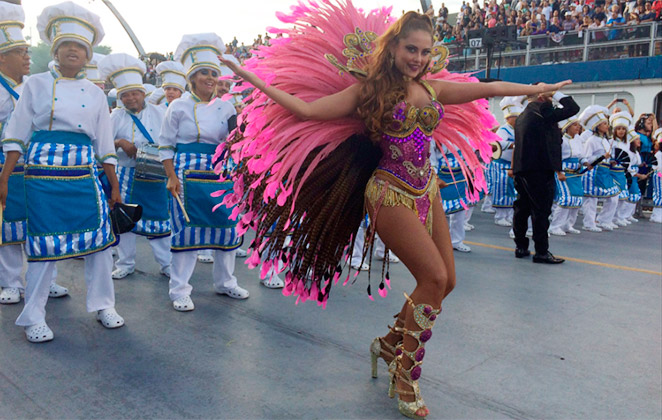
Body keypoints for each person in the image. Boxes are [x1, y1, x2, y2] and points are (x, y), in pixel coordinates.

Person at [219, 8, 570, 418]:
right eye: (410, 49)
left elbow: (488, 88)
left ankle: (388, 344)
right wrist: (251, 78)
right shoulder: (369, 92)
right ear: (393, 47)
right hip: (388, 193)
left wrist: (536, 87)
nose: (418, 58)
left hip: (427, 189)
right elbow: (308, 112)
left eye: (424, 51)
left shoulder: (433, 89)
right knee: (433, 278)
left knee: (447, 282)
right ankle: (405, 374)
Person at [0, 1, 125, 343]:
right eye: (67, 45)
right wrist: (4, 178)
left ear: (88, 55)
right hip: (41, 174)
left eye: (80, 47)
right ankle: (34, 316)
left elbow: (105, 146)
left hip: (84, 175)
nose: (73, 51)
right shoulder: (35, 85)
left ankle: (103, 304)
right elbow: (16, 133)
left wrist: (114, 187)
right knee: (42, 244)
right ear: (55, 50)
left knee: (100, 242)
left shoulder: (97, 95)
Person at [159, 33, 248, 312]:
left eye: (214, 73)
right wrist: (171, 176)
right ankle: (179, 289)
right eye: (204, 73)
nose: (211, 78)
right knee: (186, 231)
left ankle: (225, 281)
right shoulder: (178, 106)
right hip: (186, 174)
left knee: (226, 227)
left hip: (220, 174)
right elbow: (165, 146)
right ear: (193, 77)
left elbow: (236, 141)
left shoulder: (226, 106)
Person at [0, 2, 69, 305]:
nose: (28, 58)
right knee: (9, 225)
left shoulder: (35, 86)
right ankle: (12, 282)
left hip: (36, 166)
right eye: (21, 53)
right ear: (3, 57)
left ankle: (44, 280)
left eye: (28, 52)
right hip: (5, 166)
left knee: (41, 223)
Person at [98, 53, 172, 280]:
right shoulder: (116, 117)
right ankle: (125, 262)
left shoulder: (160, 112)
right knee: (125, 218)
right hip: (126, 175)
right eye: (125, 95)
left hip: (154, 174)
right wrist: (120, 142)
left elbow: (171, 140)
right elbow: (102, 144)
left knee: (159, 219)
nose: (130, 99)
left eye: (134, 94)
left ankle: (167, 263)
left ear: (143, 94)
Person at [511, 87, 579, 263]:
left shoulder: (523, 115)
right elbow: (573, 108)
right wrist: (555, 93)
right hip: (540, 169)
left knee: (522, 208)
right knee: (541, 211)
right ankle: (541, 251)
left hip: (523, 168)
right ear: (542, 96)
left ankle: (521, 246)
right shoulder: (543, 111)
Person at [580, 105, 620, 231]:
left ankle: (604, 219)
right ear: (597, 126)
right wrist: (602, 156)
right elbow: (586, 158)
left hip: (604, 171)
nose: (606, 126)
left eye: (607, 123)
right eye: (603, 123)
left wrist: (611, 160)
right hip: (594, 172)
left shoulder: (606, 140)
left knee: (613, 196)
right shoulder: (591, 140)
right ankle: (589, 223)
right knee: (591, 199)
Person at [548, 116, 587, 235]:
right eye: (575, 125)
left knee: (577, 198)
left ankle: (567, 225)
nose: (578, 127)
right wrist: (559, 172)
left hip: (576, 174)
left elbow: (580, 156)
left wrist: (585, 163)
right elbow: (556, 157)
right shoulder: (561, 140)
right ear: (567, 127)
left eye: (578, 125)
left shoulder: (578, 139)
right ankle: (555, 226)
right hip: (564, 172)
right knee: (566, 199)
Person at [431, 143, 472, 252]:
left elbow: (469, 151)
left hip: (460, 176)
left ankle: (456, 241)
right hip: (441, 176)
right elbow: (431, 158)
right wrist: (435, 177)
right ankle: (432, 243)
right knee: (437, 212)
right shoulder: (435, 134)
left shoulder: (463, 132)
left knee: (460, 212)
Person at [492, 96, 523, 227]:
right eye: (516, 117)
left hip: (513, 164)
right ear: (509, 117)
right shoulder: (503, 130)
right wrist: (513, 145)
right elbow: (498, 143)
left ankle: (509, 215)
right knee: (502, 188)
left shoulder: (518, 130)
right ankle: (500, 216)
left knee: (512, 190)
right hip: (502, 164)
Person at [609, 111, 634, 226]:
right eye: (618, 129)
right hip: (612, 172)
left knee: (623, 196)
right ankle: (607, 218)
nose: (621, 131)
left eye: (623, 129)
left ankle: (618, 216)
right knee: (613, 198)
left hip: (622, 172)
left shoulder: (627, 143)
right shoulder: (611, 142)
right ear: (614, 130)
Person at [650, 128, 662, 223]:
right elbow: (656, 167)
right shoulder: (658, 154)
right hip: (659, 176)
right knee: (659, 194)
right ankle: (656, 214)